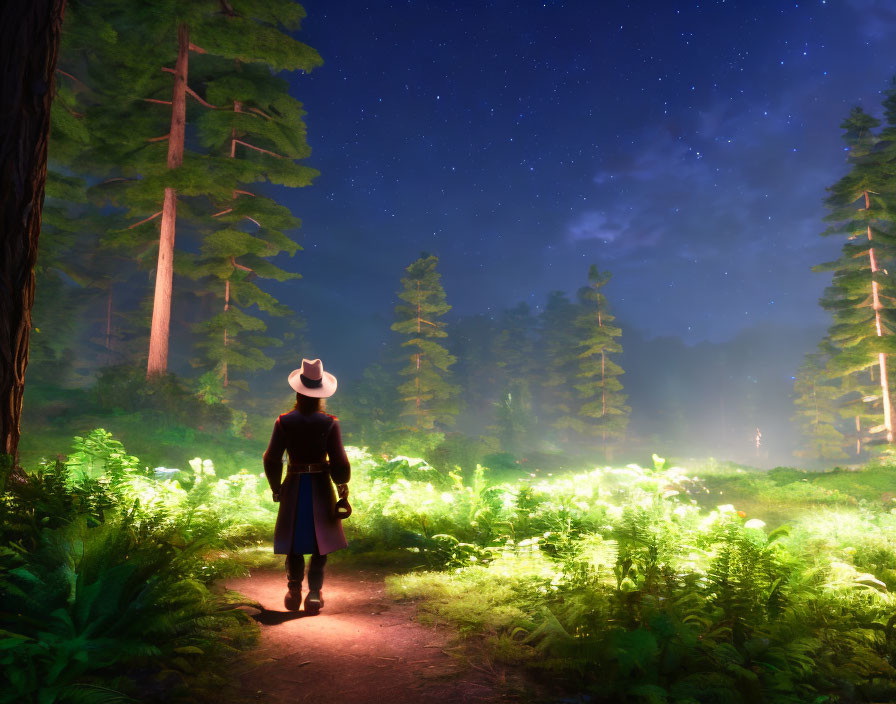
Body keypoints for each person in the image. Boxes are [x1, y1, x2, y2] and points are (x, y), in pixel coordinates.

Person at [263, 358, 350, 614]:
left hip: (294, 486)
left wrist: (276, 487)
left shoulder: (284, 421)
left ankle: (293, 590)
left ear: (298, 391)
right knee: (320, 541)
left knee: (294, 540)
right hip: (321, 486)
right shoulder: (330, 422)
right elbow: (339, 460)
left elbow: (271, 458)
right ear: (321, 393)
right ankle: (313, 594)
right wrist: (342, 485)